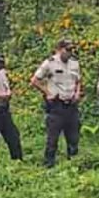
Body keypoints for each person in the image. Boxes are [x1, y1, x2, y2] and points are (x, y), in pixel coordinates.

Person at [31, 37, 83, 167]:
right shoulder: (50, 63)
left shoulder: (74, 63)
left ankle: (74, 164)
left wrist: (77, 93)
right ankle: (49, 165)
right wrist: (47, 93)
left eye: (71, 50)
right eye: (67, 50)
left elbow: (78, 81)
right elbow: (34, 80)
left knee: (73, 137)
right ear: (59, 49)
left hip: (71, 105)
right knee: (53, 138)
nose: (70, 52)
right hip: (56, 105)